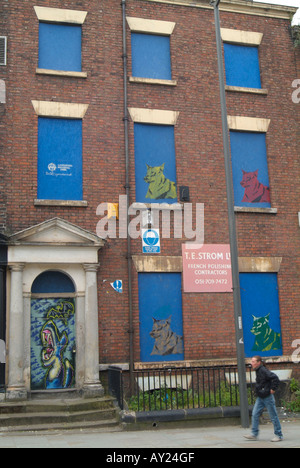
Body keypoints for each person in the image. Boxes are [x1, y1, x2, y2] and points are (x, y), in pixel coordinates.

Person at [244, 356, 283, 442]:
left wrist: (273, 389)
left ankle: (279, 435)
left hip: (267, 397)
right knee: (255, 414)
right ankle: (254, 434)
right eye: (252, 361)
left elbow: (275, 378)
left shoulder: (263, 370)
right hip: (261, 396)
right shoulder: (258, 370)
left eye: (253, 361)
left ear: (258, 362)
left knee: (273, 416)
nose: (251, 363)